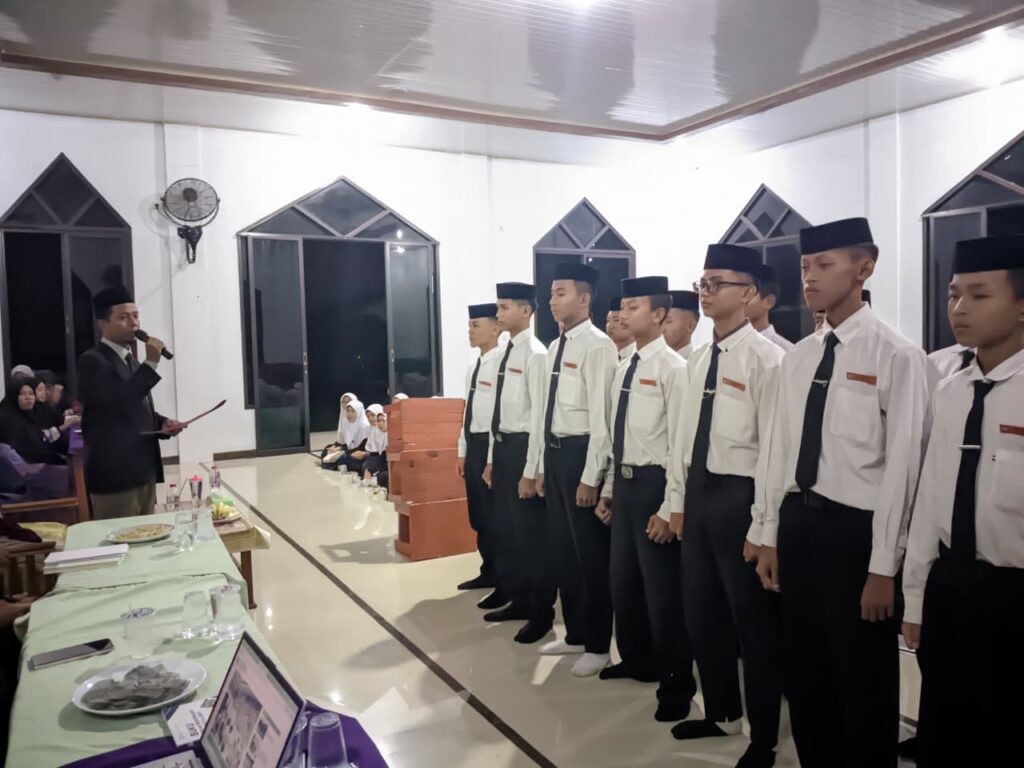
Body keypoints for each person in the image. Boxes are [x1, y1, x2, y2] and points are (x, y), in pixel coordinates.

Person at [756, 218, 928, 768]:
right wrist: (769, 534)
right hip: (800, 525)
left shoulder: (896, 355)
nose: (809, 277)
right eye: (805, 266)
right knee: (807, 673)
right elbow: (780, 453)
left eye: (824, 265)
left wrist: (883, 567)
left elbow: (903, 469)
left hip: (856, 536)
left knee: (863, 679)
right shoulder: (799, 357)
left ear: (864, 267)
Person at [902, 234, 1024, 768]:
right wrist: (915, 598)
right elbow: (931, 500)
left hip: (1014, 593)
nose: (958, 309)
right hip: (951, 588)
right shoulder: (950, 390)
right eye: (953, 295)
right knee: (946, 730)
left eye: (978, 295)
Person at [667, 245, 784, 768]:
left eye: (718, 283)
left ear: (750, 293)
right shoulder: (697, 359)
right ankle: (721, 712)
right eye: (703, 283)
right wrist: (677, 500)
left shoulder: (768, 360)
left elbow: (774, 450)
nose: (706, 292)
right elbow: (682, 436)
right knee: (702, 612)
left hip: (742, 499)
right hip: (699, 494)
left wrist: (764, 527)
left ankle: (764, 736)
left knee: (752, 624)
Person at [597, 276, 697, 720]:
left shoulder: (674, 369)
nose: (623, 314)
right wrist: (609, 488)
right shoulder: (625, 366)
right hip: (626, 483)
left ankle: (676, 684)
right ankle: (636, 659)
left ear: (658, 314)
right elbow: (615, 435)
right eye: (622, 306)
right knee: (624, 583)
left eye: (633, 306)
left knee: (663, 593)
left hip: (656, 485)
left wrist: (669, 506)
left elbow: (680, 445)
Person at [535, 262, 617, 677]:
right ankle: (576, 633)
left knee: (590, 557)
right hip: (555, 455)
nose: (552, 300)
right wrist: (540, 466)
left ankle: (599, 645)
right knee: (563, 551)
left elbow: (602, 419)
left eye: (561, 293)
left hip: (581, 453)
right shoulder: (555, 346)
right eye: (551, 293)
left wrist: (591, 476)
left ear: (584, 299)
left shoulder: (598, 346)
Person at [482, 282, 554, 641]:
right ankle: (519, 600)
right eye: (498, 307)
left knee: (532, 539)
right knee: (509, 533)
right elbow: (498, 411)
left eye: (505, 307)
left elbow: (539, 416)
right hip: (504, 448)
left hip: (525, 448)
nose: (498, 314)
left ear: (526, 311)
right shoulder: (505, 352)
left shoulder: (536, 354)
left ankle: (541, 613)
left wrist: (531, 470)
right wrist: (492, 459)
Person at [78, 286, 185, 520]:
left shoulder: (130, 360)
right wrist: (151, 363)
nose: (134, 323)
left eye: (136, 316)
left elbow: (134, 406)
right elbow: (116, 405)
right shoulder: (93, 361)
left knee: (147, 535)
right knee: (120, 536)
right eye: (123, 317)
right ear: (103, 324)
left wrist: (162, 423)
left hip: (143, 470)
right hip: (115, 475)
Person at [456, 303, 503, 595]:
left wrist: (490, 457)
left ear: (495, 329)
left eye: (476, 325)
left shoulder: (501, 364)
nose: (470, 331)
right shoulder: (474, 366)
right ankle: (488, 571)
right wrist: (462, 450)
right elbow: (467, 411)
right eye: (469, 326)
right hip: (473, 444)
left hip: (490, 445)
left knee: (495, 515)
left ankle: (503, 576)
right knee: (479, 514)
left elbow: (497, 414)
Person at [0, 380, 64, 465]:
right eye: (22, 394)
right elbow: (33, 452)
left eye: (31, 394)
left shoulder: (31, 415)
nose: (28, 397)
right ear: (13, 396)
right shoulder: (8, 420)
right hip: (29, 469)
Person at [746, 265, 795, 352]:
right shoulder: (726, 345)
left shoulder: (786, 351)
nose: (741, 299)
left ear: (769, 302)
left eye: (749, 293)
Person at [324, 400, 369, 472]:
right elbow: (350, 443)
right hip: (351, 452)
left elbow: (361, 448)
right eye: (348, 411)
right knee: (328, 453)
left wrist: (343, 452)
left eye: (353, 411)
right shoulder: (348, 423)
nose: (349, 414)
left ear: (359, 412)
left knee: (341, 458)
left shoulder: (365, 426)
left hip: (361, 454)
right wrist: (339, 448)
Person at [663, 290, 701, 359]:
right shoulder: (654, 362)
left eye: (668, 321)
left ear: (691, 325)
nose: (661, 329)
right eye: (659, 321)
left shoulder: (699, 362)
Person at [320, 392, 357, 461]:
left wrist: (340, 448)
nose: (346, 404)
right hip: (345, 445)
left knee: (340, 457)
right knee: (327, 450)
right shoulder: (343, 417)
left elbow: (355, 442)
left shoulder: (360, 418)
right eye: (344, 402)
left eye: (348, 402)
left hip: (356, 447)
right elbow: (341, 439)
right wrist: (335, 446)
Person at [361, 404, 389, 488]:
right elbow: (381, 457)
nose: (380, 424)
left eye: (383, 421)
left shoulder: (393, 435)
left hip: (393, 466)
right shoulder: (377, 432)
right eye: (378, 421)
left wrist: (370, 469)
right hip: (382, 463)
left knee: (382, 476)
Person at [606, 296, 636, 361]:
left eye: (616, 320)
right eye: (608, 320)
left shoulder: (637, 356)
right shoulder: (606, 355)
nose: (610, 326)